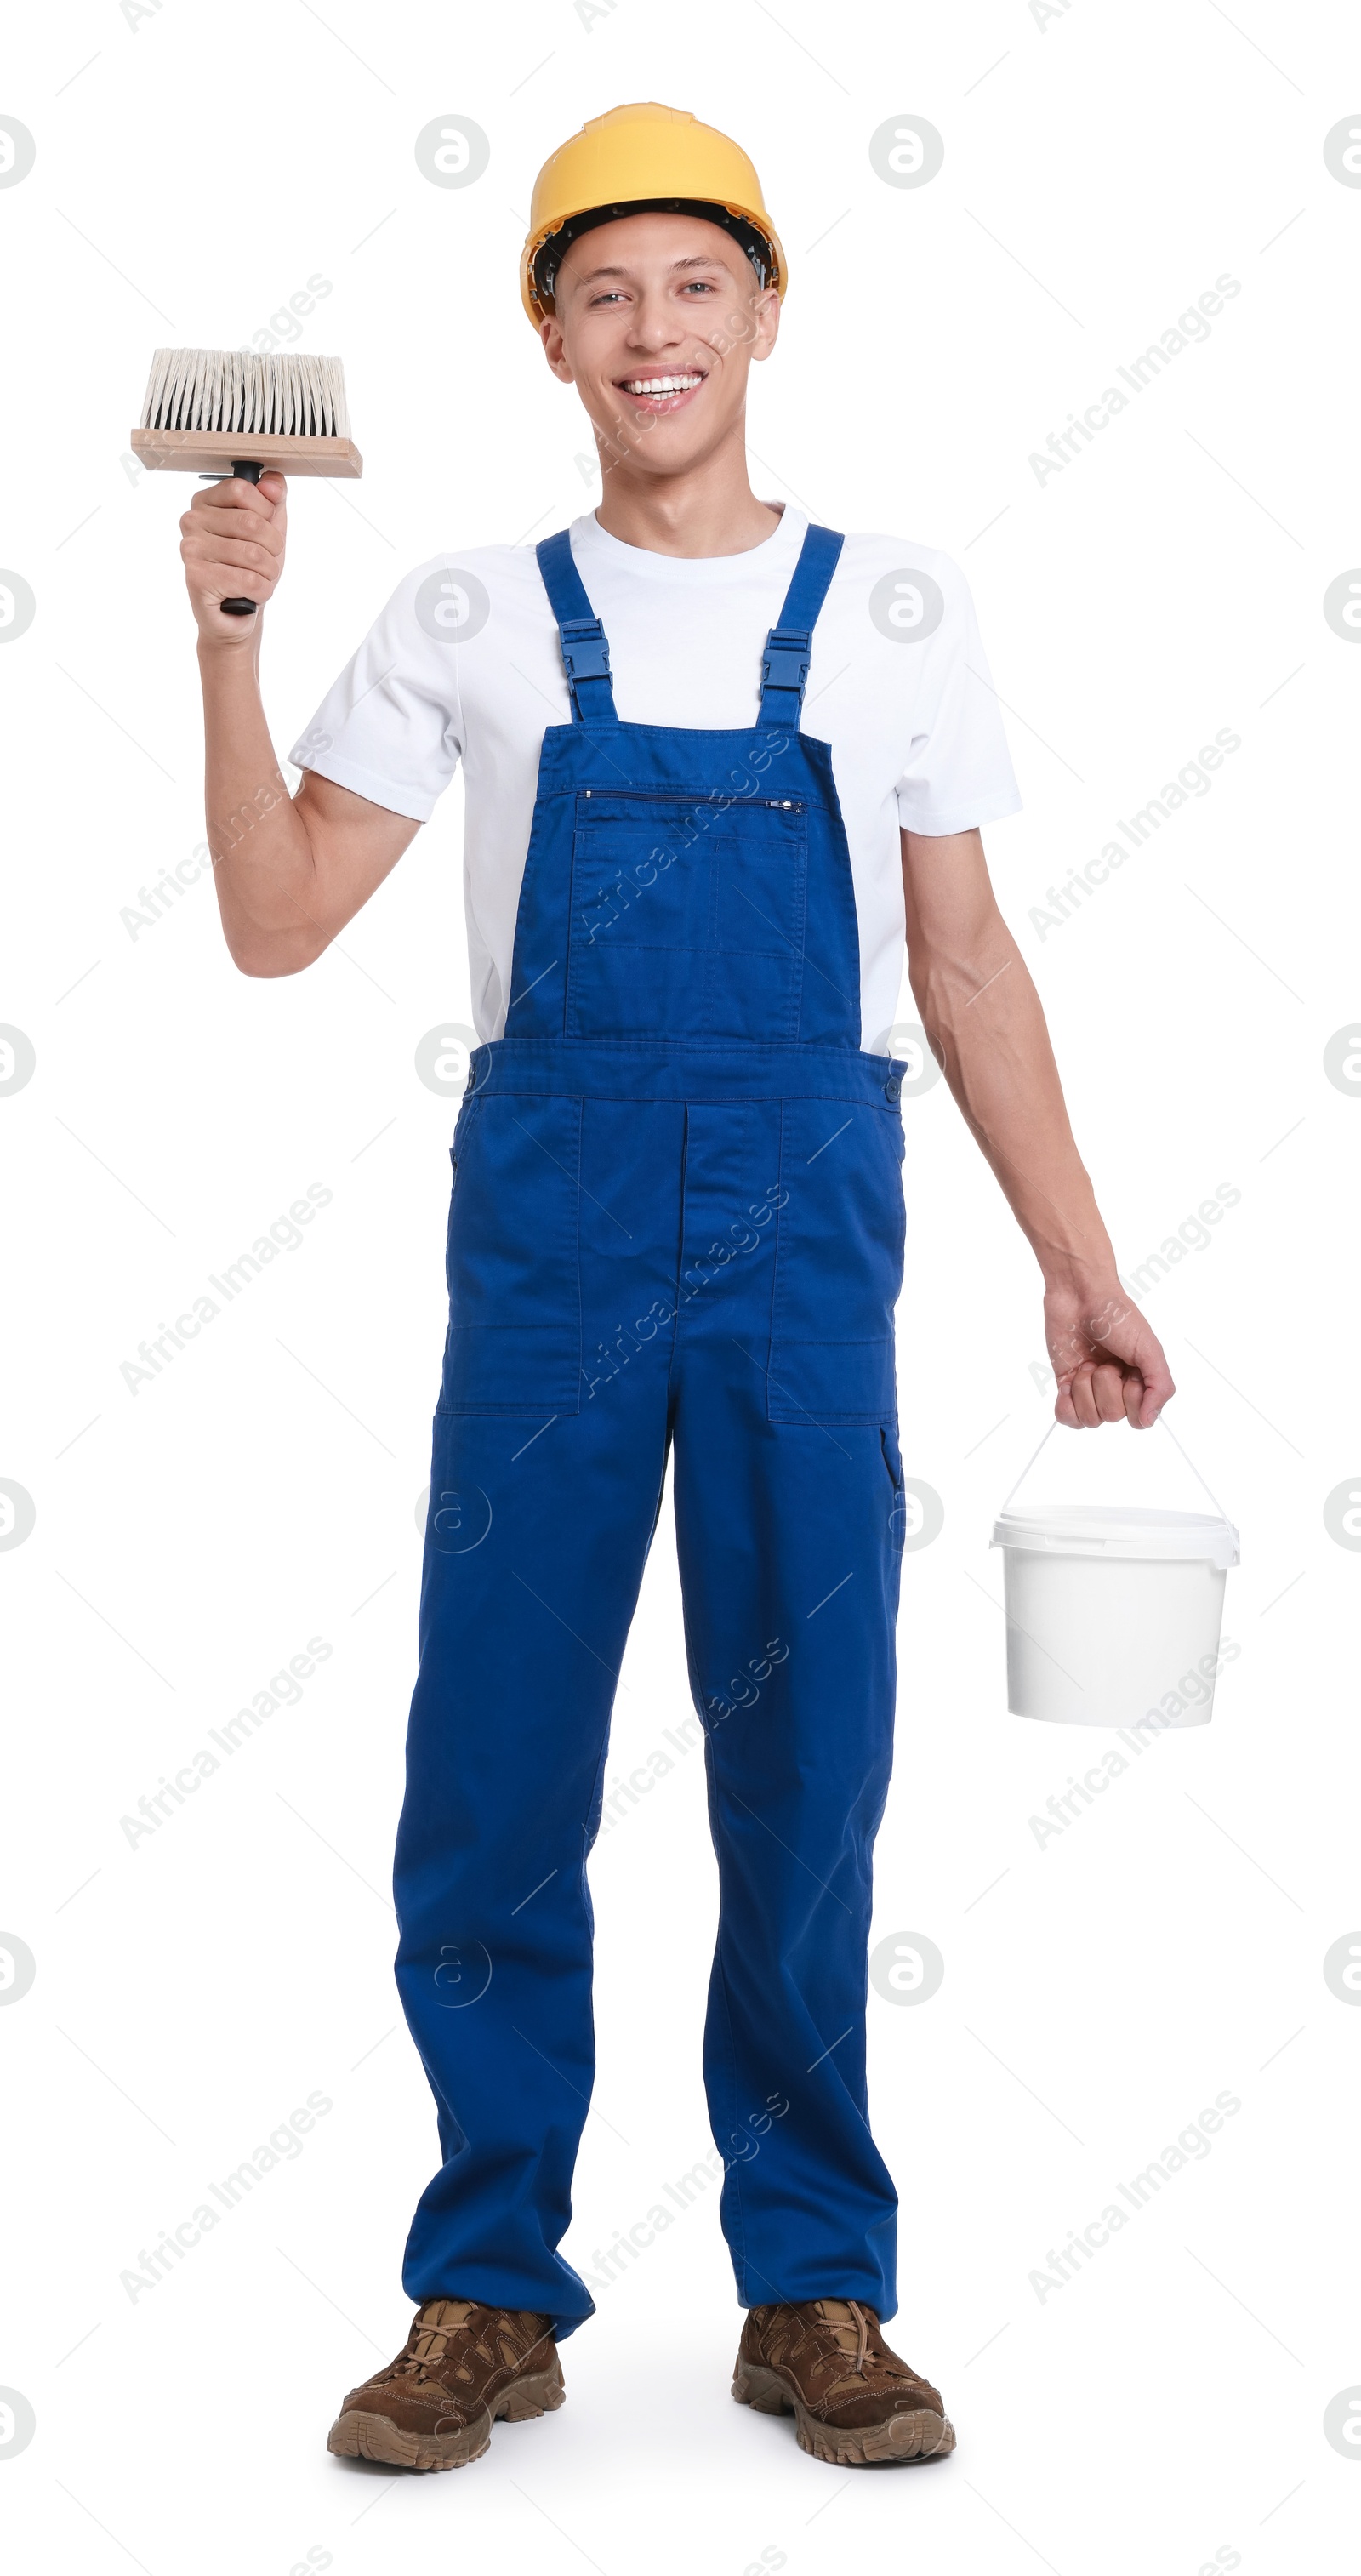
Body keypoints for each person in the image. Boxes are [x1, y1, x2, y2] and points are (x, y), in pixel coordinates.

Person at [179, 100, 1173, 2474]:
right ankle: (483, 2284)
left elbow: (964, 956)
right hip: (552, 1235)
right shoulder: (467, 612)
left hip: (804, 1236)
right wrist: (228, 641)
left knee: (810, 1749)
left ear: (764, 311)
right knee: (497, 1754)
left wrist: (1082, 1259)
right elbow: (276, 913)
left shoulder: (899, 603)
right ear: (550, 334)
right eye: (604, 293)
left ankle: (815, 2278)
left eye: (694, 286)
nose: (654, 332)